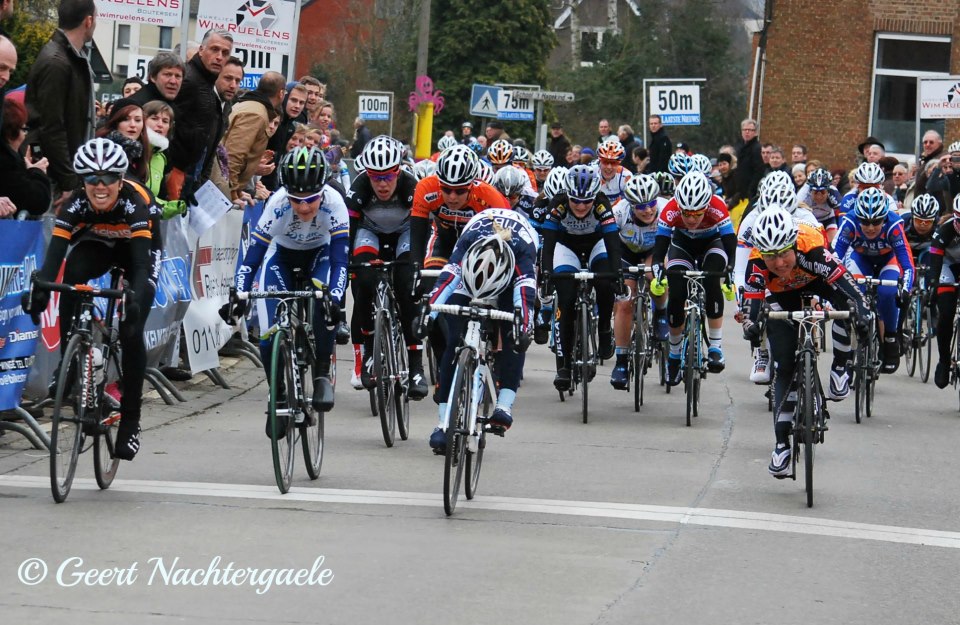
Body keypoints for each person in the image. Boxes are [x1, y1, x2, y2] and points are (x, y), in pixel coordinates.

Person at [24, 138, 163, 460]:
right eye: (91, 179)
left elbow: (143, 265)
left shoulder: (135, 202)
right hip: (98, 243)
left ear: (120, 179)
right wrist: (40, 291)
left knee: (131, 328)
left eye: (109, 179)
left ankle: (131, 420)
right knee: (70, 276)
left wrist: (137, 298)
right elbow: (52, 259)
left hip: (138, 252)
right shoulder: (75, 205)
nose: (100, 187)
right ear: (82, 181)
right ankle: (69, 362)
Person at [225, 147, 348, 435]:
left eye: (311, 201)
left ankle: (320, 375)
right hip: (282, 256)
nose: (304, 208)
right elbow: (253, 257)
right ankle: (277, 392)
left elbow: (342, 260)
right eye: (297, 200)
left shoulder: (335, 203)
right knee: (268, 333)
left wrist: (336, 298)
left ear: (322, 191)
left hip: (321, 254)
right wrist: (239, 295)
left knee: (324, 302)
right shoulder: (278, 204)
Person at [741, 208, 870, 477]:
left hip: (817, 282)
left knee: (848, 310)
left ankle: (840, 369)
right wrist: (751, 326)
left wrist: (863, 314)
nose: (778, 263)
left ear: (793, 245)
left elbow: (851, 290)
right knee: (785, 365)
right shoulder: (756, 264)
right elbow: (752, 307)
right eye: (770, 257)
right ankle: (781, 446)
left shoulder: (812, 249)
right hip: (780, 296)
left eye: (783, 254)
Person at [419, 208, 536, 452]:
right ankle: (442, 423)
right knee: (453, 340)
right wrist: (428, 314)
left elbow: (525, 297)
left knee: (514, 332)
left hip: (509, 277)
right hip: (469, 274)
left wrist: (523, 328)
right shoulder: (468, 242)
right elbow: (446, 280)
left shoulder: (523, 252)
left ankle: (504, 405)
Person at [346, 136, 427, 399]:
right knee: (364, 284)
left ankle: (416, 368)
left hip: (405, 233)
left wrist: (416, 265)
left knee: (407, 288)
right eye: (375, 177)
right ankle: (369, 352)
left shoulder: (411, 185)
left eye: (388, 177)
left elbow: (420, 230)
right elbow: (350, 230)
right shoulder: (359, 188)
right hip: (371, 233)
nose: (382, 184)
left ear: (398, 171)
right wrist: (351, 265)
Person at [540, 165, 622, 390]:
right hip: (566, 247)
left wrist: (618, 273)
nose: (581, 206)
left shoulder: (602, 203)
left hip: (596, 244)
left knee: (606, 283)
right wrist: (546, 274)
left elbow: (613, 242)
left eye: (587, 201)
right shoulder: (557, 203)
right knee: (565, 301)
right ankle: (565, 365)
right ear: (567, 195)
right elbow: (548, 244)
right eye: (575, 201)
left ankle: (604, 329)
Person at [653, 172, 737, 383]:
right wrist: (657, 267)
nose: (691, 219)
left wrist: (731, 269)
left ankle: (716, 347)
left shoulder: (717, 205)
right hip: (682, 246)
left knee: (712, 280)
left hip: (712, 244)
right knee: (677, 291)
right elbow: (661, 244)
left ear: (706, 207)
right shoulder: (671, 208)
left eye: (697, 214)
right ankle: (673, 355)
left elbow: (729, 241)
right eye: (686, 214)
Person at [24, 0, 97, 210]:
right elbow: (52, 126)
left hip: (60, 172)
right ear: (88, 20)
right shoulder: (57, 62)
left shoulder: (68, 59)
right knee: (48, 238)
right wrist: (68, 181)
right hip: (54, 178)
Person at [833, 187, 915, 373]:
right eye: (865, 221)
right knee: (853, 294)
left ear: (884, 218)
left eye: (876, 222)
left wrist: (906, 289)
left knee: (888, 293)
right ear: (858, 217)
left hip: (887, 261)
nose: (870, 227)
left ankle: (891, 338)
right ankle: (853, 337)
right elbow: (834, 258)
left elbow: (907, 264)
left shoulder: (894, 226)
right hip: (860, 260)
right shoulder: (849, 223)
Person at [609, 174, 669, 389]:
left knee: (654, 276)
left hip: (655, 251)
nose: (648, 210)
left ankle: (661, 312)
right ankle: (622, 361)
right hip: (627, 253)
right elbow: (608, 242)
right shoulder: (618, 213)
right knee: (624, 302)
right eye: (640, 206)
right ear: (630, 205)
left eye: (651, 203)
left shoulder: (666, 209)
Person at [166, 29, 234, 201]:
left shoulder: (207, 83)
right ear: (201, 50)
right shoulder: (188, 80)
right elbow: (169, 129)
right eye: (214, 49)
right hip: (176, 174)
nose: (219, 57)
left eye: (225, 53)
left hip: (191, 177)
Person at [220, 71, 284, 204]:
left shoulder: (248, 105)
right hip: (221, 190)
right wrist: (232, 194)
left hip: (224, 185)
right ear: (281, 93)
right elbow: (233, 154)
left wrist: (238, 191)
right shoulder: (256, 114)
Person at [927, 195, 960, 388]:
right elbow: (936, 263)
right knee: (946, 314)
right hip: (947, 266)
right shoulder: (944, 231)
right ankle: (944, 360)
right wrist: (933, 285)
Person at [0, 98, 50, 216]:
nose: (24, 135)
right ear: (11, 132)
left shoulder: (12, 159)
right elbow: (37, 201)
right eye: (24, 129)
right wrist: (37, 171)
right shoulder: (6, 163)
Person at [797, 167, 842, 241]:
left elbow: (843, 213)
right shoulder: (802, 195)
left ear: (828, 190)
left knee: (833, 243)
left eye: (823, 192)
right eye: (815, 192)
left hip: (828, 219)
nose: (819, 196)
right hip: (810, 221)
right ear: (810, 190)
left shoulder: (833, 192)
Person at [733, 118, 764, 207]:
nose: (747, 132)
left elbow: (758, 171)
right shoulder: (740, 147)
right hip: (739, 192)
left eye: (750, 130)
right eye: (744, 130)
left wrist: (750, 190)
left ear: (755, 133)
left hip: (750, 193)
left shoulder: (757, 148)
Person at [596, 138, 632, 203]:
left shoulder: (626, 176)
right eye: (605, 162)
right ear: (600, 161)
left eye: (613, 163)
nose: (609, 167)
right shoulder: (592, 173)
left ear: (619, 162)